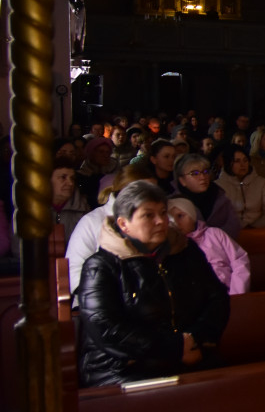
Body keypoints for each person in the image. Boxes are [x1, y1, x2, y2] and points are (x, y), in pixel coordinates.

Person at [77, 181, 230, 387]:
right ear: (123, 224)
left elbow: (217, 297)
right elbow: (106, 328)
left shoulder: (185, 251)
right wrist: (175, 348)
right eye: (148, 215)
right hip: (123, 367)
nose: (161, 221)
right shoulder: (101, 266)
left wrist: (196, 339)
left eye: (163, 212)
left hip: (189, 354)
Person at [66, 163, 158, 299]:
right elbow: (75, 270)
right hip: (102, 300)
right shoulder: (92, 221)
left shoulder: (163, 220)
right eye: (145, 192)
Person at [167, 197, 251, 294]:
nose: (176, 222)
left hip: (231, 293)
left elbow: (240, 261)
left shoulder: (215, 234)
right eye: (170, 219)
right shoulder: (173, 246)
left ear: (192, 216)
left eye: (180, 216)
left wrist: (236, 293)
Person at [172, 153, 242, 239]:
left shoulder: (220, 196)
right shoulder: (173, 204)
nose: (202, 177)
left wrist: (213, 241)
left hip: (220, 247)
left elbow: (234, 225)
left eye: (205, 172)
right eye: (195, 173)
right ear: (182, 180)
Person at [215, 144, 265, 230]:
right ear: (229, 163)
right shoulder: (218, 185)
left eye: (245, 160)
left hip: (257, 231)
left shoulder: (261, 182)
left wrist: (254, 228)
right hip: (229, 233)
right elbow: (217, 216)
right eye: (237, 161)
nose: (242, 164)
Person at [52, 157, 91, 240]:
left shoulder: (83, 209)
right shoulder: (37, 209)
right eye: (63, 177)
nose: (70, 183)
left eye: (72, 178)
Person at [77, 136, 118, 208]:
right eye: (101, 152)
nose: (105, 155)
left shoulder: (114, 172)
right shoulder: (81, 174)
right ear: (91, 153)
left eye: (108, 152)